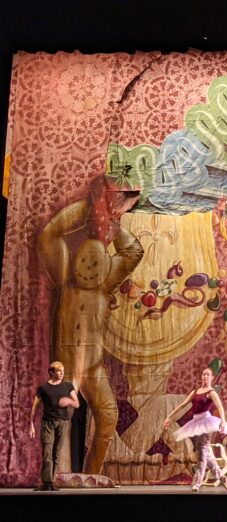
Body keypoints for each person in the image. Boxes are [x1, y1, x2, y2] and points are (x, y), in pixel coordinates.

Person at [38, 178, 144, 475]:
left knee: (108, 416)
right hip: (67, 365)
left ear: (106, 270)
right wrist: (89, 209)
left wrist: (111, 221)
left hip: (94, 365)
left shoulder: (104, 287)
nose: (90, 269)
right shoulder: (65, 280)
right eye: (86, 262)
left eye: (97, 266)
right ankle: (57, 474)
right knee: (63, 417)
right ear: (74, 262)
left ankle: (92, 472)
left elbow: (134, 252)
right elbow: (49, 235)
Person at [162, 367, 227, 492]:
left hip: (207, 423)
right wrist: (169, 417)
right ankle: (221, 477)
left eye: (207, 375)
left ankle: (197, 482)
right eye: (203, 374)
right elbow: (182, 405)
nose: (205, 376)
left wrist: (222, 420)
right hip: (195, 424)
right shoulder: (195, 391)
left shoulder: (211, 392)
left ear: (211, 378)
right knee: (205, 453)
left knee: (201, 453)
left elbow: (220, 406)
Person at [29, 361, 80, 491]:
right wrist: (32, 425)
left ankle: (52, 482)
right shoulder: (44, 388)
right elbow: (35, 407)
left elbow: (77, 403)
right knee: (47, 452)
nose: (62, 373)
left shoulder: (67, 386)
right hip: (48, 423)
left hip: (63, 423)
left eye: (62, 370)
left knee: (56, 453)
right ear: (51, 372)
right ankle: (46, 482)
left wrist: (68, 400)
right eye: (58, 371)